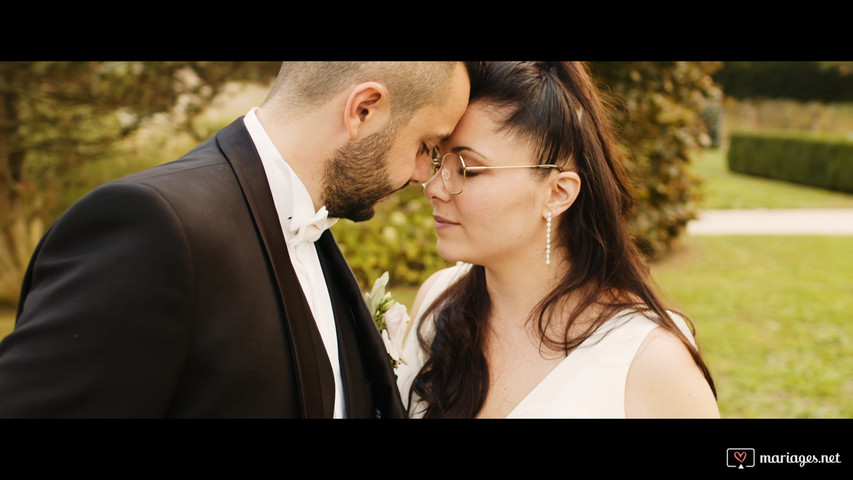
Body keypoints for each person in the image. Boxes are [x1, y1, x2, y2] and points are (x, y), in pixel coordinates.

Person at [0, 61, 471, 418]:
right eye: (426, 145)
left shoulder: (314, 233)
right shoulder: (153, 228)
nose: (419, 174)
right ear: (363, 110)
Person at [395, 61, 720, 418]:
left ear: (557, 193)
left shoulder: (650, 361)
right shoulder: (436, 302)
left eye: (467, 170)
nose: (434, 188)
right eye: (440, 161)